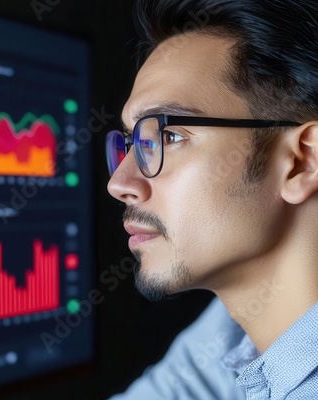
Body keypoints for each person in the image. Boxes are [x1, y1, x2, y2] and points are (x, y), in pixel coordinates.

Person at [105, 0, 318, 399]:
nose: (120, 182)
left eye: (169, 136)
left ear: (302, 161)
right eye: (134, 141)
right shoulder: (235, 333)